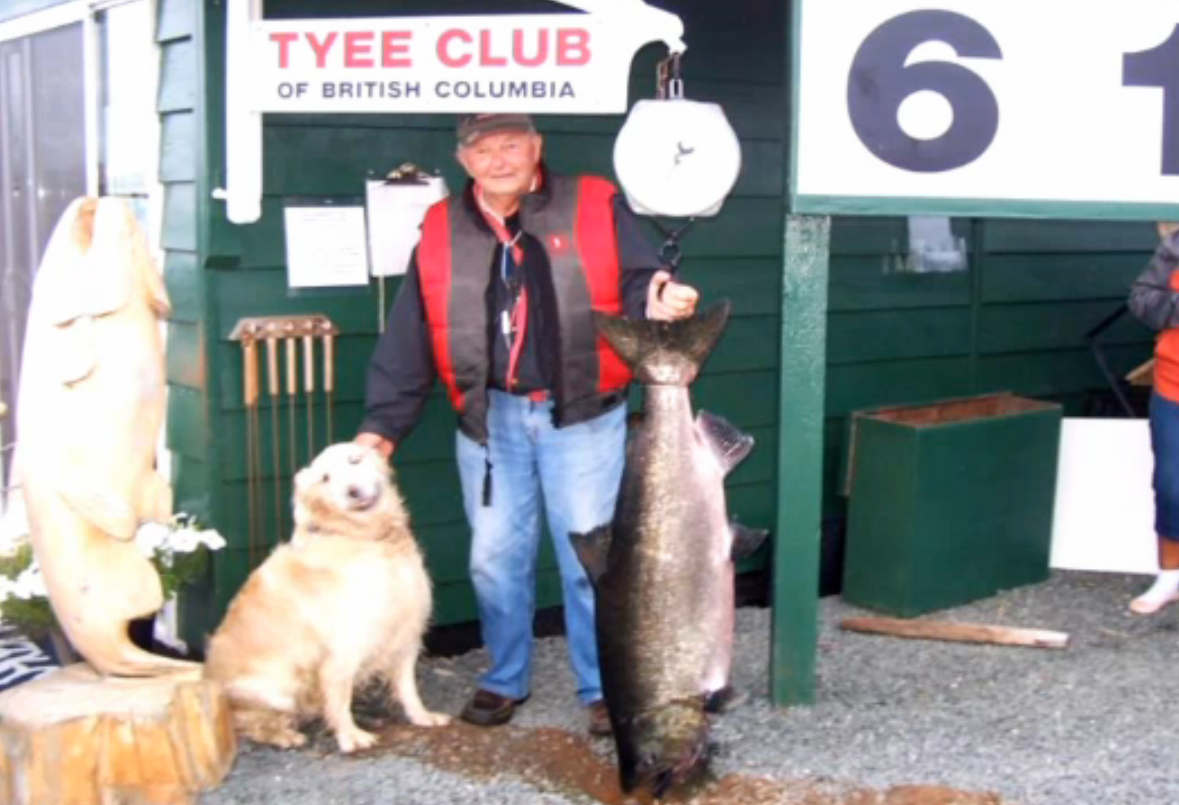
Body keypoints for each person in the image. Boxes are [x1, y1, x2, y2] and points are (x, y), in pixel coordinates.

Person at [355, 113, 699, 735]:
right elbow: (412, 330)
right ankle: (504, 676)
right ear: (464, 160)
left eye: (513, 144)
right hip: (491, 421)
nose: (499, 158)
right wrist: (381, 428)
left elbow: (640, 279)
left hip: (584, 414)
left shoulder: (594, 200)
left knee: (589, 559)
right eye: (483, 148)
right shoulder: (439, 227)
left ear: (537, 147)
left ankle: (602, 684)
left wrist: (660, 298)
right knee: (493, 560)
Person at [1127, 222, 1179, 614]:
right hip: (1173, 385)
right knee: (1171, 484)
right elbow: (1142, 299)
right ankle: (1171, 577)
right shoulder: (1175, 246)